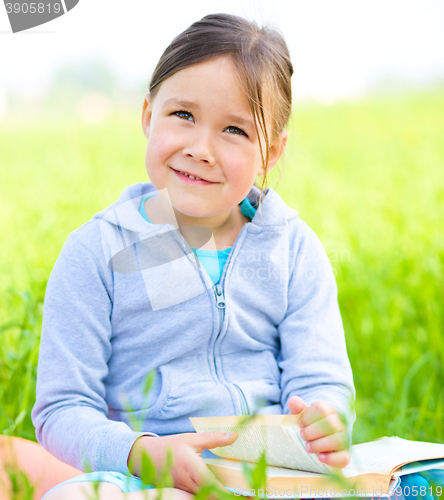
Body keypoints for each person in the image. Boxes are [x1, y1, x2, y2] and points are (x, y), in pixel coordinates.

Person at [32, 13, 356, 500]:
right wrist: (139, 452)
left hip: (267, 475)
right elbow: (62, 409)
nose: (201, 148)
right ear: (147, 115)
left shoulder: (292, 248)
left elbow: (321, 378)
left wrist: (326, 418)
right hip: (144, 475)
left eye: (234, 130)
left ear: (271, 152)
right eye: (183, 115)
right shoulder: (99, 251)